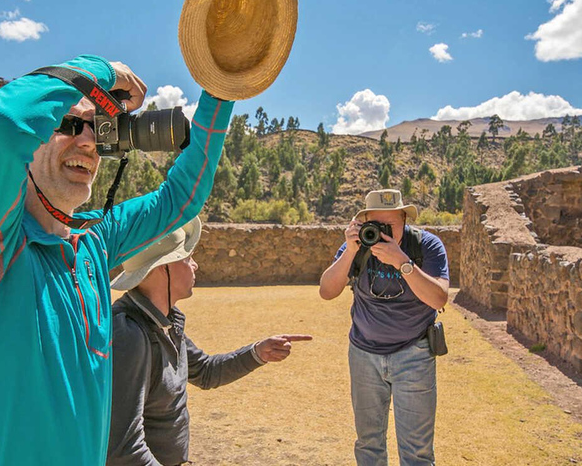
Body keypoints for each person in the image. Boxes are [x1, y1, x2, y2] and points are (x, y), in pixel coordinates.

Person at [0, 56, 234, 465]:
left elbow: (181, 197)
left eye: (97, 129)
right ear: (31, 140)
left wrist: (223, 83)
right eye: (68, 124)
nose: (87, 142)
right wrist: (104, 71)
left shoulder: (94, 244)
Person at [107, 217, 312, 466]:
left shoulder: (165, 322)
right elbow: (123, 447)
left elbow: (205, 372)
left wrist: (258, 352)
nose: (195, 265)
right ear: (164, 267)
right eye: (187, 258)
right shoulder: (130, 334)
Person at [319, 189, 449, 466]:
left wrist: (402, 262)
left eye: (391, 225)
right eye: (377, 225)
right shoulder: (358, 246)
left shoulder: (426, 245)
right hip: (364, 355)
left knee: (417, 451)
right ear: (364, 223)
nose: (383, 232)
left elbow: (438, 299)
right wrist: (349, 252)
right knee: (368, 444)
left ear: (405, 220)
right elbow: (327, 291)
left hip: (414, 354)